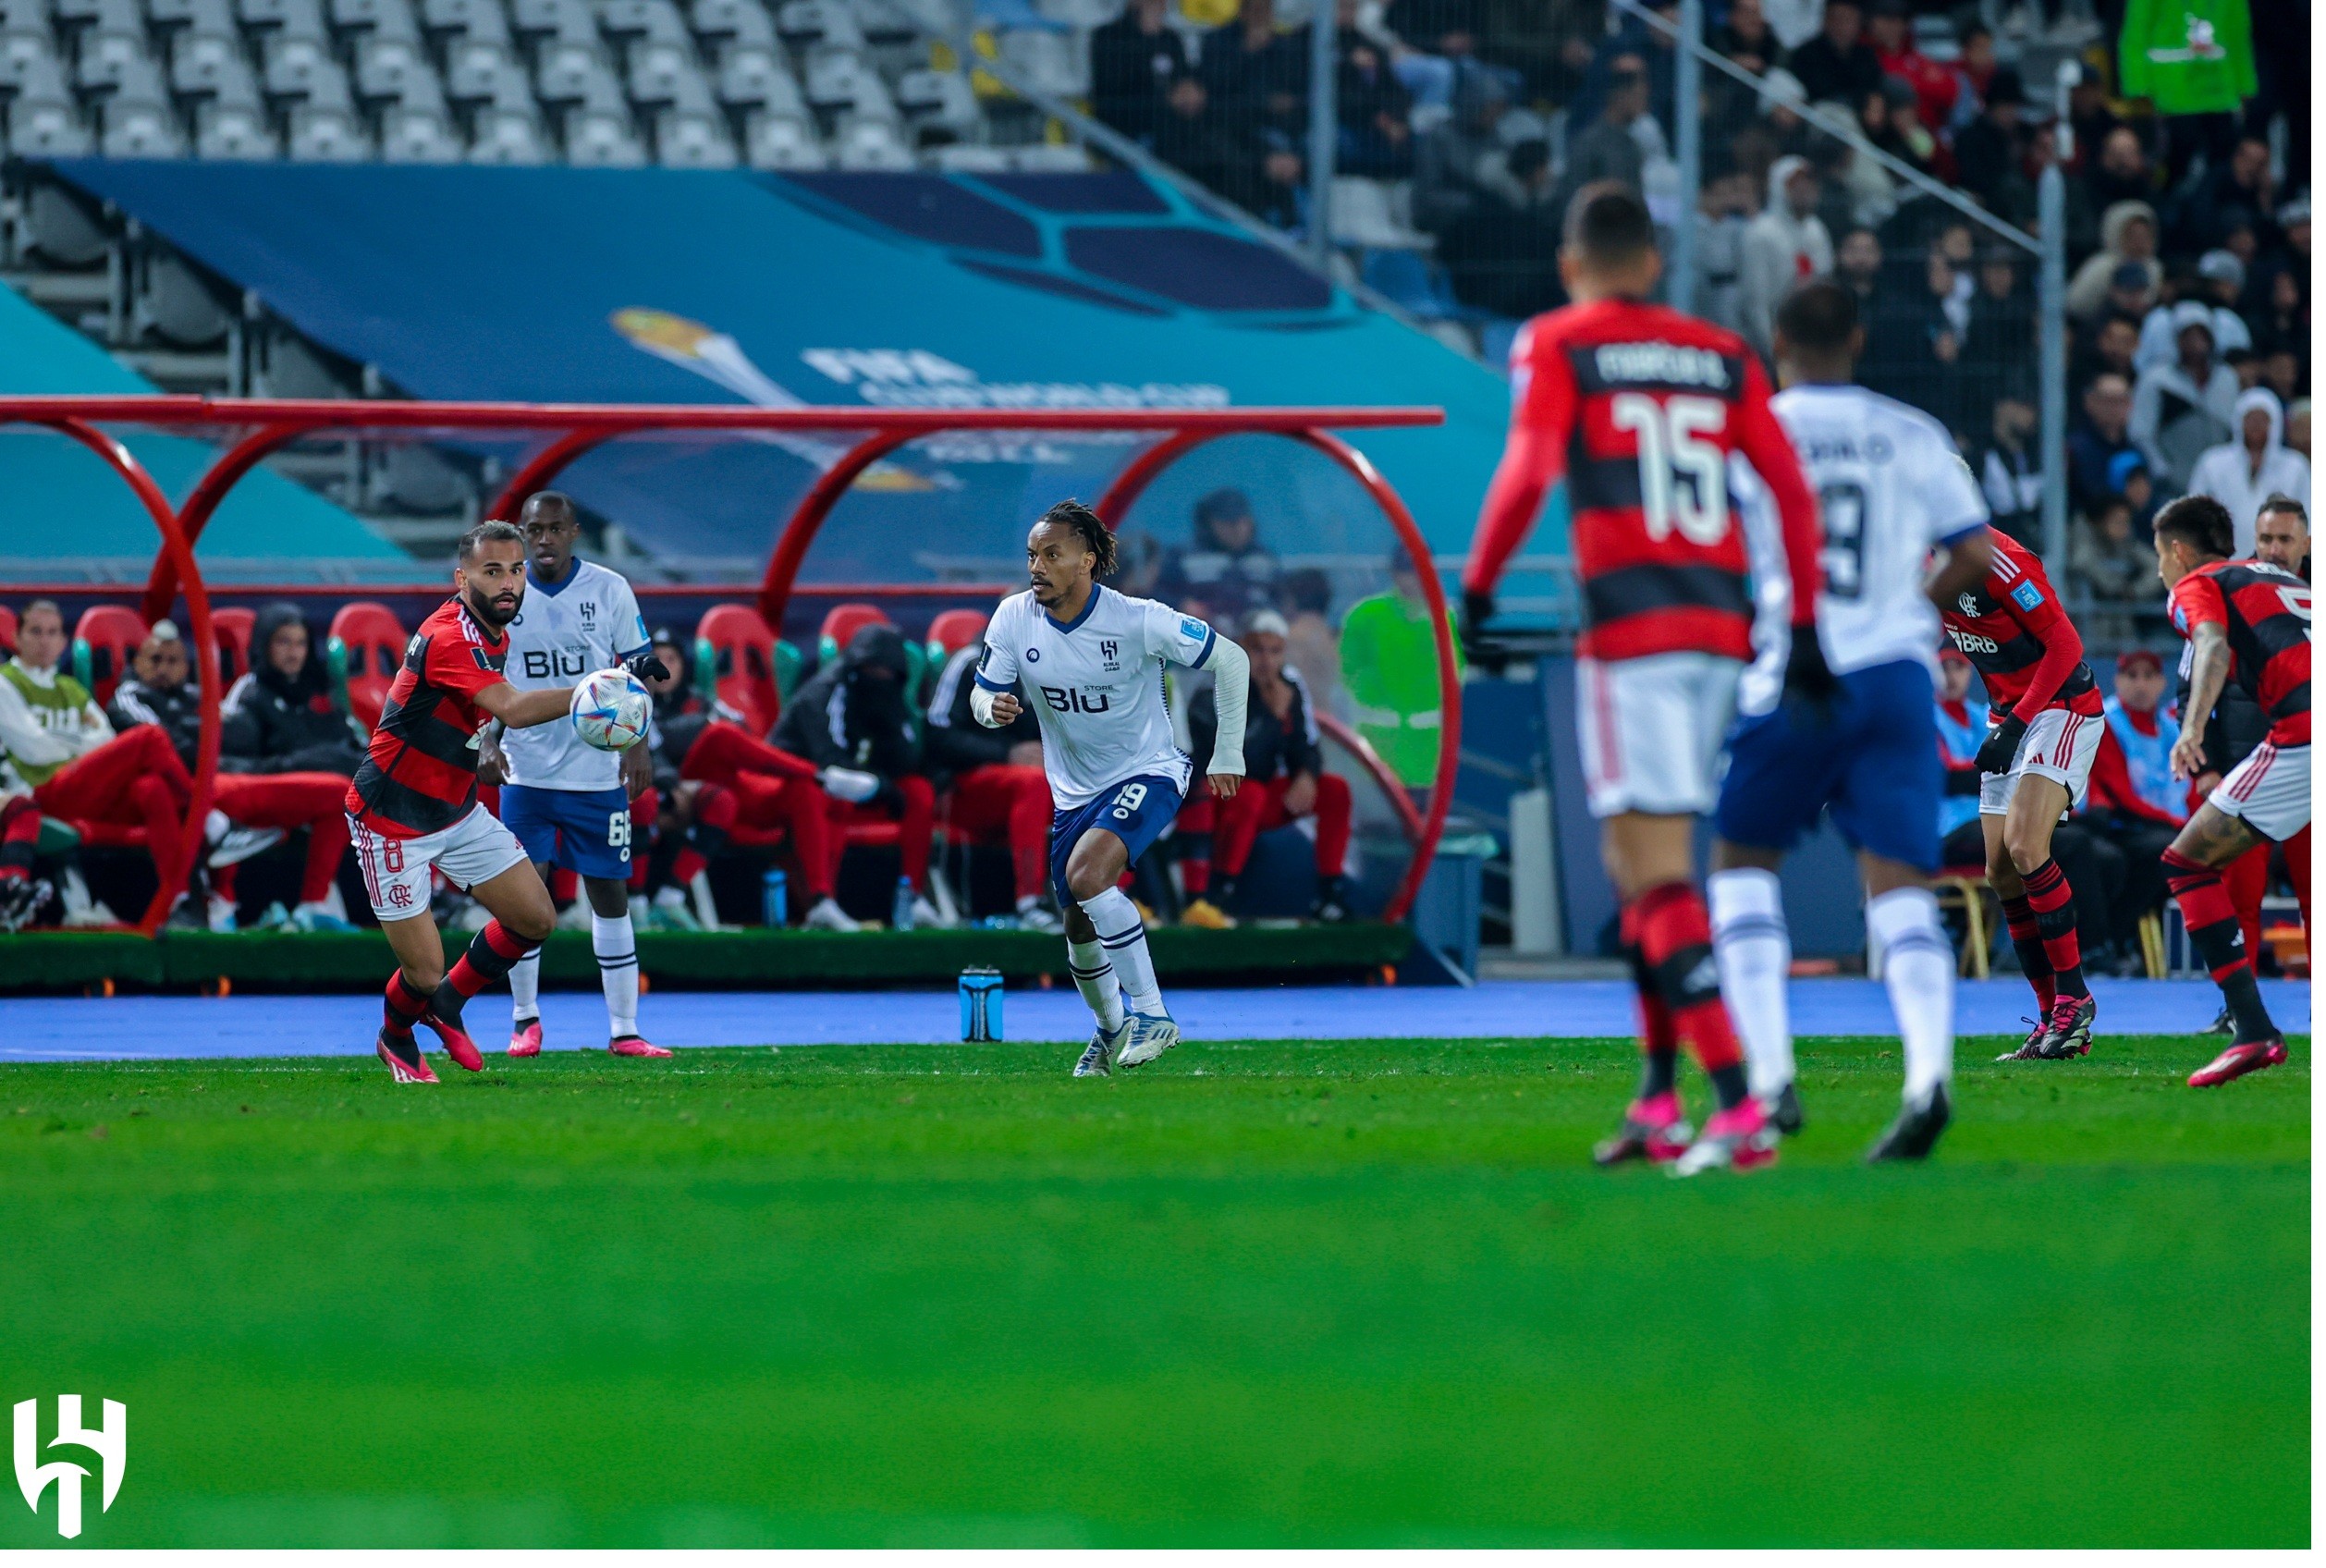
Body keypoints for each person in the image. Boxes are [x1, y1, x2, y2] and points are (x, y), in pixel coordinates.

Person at [1462, 183, 1829, 1176]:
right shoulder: (1722, 353)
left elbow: (1530, 468)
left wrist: (1480, 586)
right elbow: (1788, 491)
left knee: (1654, 871)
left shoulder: (1558, 341)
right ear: (1655, 263)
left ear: (1569, 264)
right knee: (1636, 872)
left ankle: (1737, 1105)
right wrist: (1799, 625)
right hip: (1723, 631)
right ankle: (1657, 1098)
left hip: (1632, 634)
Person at [1708, 278, 1996, 1163]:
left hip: (1796, 668)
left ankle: (1770, 1079)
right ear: (1859, 341)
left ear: (1777, 341)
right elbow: (1975, 552)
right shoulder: (1912, 431)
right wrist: (1910, 605)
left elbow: (1720, 552)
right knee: (1900, 883)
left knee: (1740, 861)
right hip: (1894, 675)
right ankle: (1928, 1079)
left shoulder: (1752, 431)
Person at [347, 521, 667, 1084]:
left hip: (455, 810)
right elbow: (514, 710)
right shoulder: (450, 635)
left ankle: (447, 1005)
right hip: (392, 818)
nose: (509, 583)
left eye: (515, 570)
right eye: (492, 571)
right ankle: (395, 1036)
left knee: (535, 918)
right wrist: (601, 687)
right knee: (422, 971)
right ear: (461, 578)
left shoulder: (495, 631)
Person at [969, 498, 1251, 1077]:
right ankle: (1109, 1028)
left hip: (1150, 770)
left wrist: (1227, 751)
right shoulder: (1013, 617)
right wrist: (988, 709)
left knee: (1088, 876)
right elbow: (981, 693)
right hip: (1073, 794)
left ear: (1087, 561)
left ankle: (1152, 1014)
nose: (1037, 567)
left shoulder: (1138, 619)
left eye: (1052, 554)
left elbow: (1231, 659)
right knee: (1078, 926)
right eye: (1032, 555)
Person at [475, 492, 668, 1060]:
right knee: (524, 899)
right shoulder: (502, 593)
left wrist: (637, 744)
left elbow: (637, 666)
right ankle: (524, 1020)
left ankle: (625, 1030)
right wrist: (487, 738)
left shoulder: (609, 588)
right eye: (535, 530)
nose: (544, 540)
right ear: (522, 534)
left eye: (555, 529)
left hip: (597, 773)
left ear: (573, 532)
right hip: (526, 773)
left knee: (610, 894)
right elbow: (480, 675)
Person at [2151, 495, 2310, 1086]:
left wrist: (2191, 730)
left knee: (2186, 863)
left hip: (2303, 732)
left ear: (2178, 551)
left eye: (2159, 557)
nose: (2159, 571)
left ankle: (2253, 1030)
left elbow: (2212, 646)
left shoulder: (2199, 584)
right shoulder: (2279, 579)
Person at [0, 598, 279, 927]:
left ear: (63, 641)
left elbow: (104, 740)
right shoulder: (6, 682)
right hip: (41, 792)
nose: (44, 641)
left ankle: (180, 903)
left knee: (151, 788)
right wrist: (80, 743)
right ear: (17, 638)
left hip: (86, 788)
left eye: (52, 632)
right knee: (148, 737)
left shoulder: (71, 689)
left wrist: (68, 744)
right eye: (35, 632)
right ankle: (214, 823)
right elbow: (34, 749)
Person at [1939, 522, 2107, 1062]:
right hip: (2007, 715)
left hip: (2061, 707)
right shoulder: (1918, 559)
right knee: (2000, 872)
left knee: (2026, 847)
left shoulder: (2001, 560)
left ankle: (2075, 998)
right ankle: (2050, 1016)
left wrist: (2015, 725)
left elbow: (2066, 644)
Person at [107, 619, 354, 933]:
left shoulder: (201, 698)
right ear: (137, 662)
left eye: (173, 660)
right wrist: (200, 741)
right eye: (155, 659)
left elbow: (237, 740)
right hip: (192, 788)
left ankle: (315, 905)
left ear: (187, 667)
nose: (164, 668)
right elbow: (161, 743)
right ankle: (220, 903)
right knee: (181, 787)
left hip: (232, 778)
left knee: (339, 791)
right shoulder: (131, 696)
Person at [1181, 610, 1352, 926]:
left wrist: (1306, 776)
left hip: (1259, 795)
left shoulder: (1288, 687)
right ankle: (1220, 893)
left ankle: (1331, 892)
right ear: (1240, 646)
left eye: (1275, 651)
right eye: (1258, 649)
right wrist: (1273, 717)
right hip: (1215, 797)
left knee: (1334, 790)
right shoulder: (1214, 685)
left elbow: (1306, 744)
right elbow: (1233, 757)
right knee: (1251, 794)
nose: (1266, 661)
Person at [774, 623, 945, 930]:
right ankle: (820, 901)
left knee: (919, 790)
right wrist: (882, 786)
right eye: (873, 669)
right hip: (798, 787)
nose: (880, 677)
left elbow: (907, 760)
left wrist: (888, 730)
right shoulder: (823, 693)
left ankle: (912, 896)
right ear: (857, 667)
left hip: (859, 786)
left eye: (887, 671)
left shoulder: (889, 694)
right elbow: (828, 761)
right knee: (823, 791)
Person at [924, 623, 1059, 932]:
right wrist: (1006, 753)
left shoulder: (1039, 668)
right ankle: (1030, 903)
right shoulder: (968, 661)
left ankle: (1105, 899)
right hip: (961, 789)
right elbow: (938, 733)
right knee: (1033, 783)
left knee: (1095, 785)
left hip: (1018, 786)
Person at [2081, 648, 2185, 968]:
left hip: (2162, 825)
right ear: (2117, 681)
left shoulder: (2172, 728)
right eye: (2132, 675)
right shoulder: (2106, 723)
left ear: (2162, 683)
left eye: (2149, 676)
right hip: (2122, 825)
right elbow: (2121, 795)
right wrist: (2181, 824)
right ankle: (2115, 937)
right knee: (2166, 850)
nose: (2141, 684)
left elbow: (2189, 789)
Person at [1340, 546, 1459, 790]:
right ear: (1394, 573)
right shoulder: (1365, 617)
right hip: (1378, 755)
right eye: (1406, 571)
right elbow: (1346, 672)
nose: (1412, 579)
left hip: (1428, 760)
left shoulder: (1444, 619)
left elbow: (1456, 674)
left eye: (1418, 571)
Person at [220, 603, 369, 777]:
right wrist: (300, 764)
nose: (293, 653)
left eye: (301, 643)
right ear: (264, 645)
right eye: (283, 642)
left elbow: (351, 741)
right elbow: (234, 765)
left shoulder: (317, 688)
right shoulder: (250, 694)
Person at [2186, 388, 2311, 557]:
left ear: (2275, 424)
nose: (2256, 424)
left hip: (2279, 559)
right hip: (2223, 558)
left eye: (2263, 419)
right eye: (2250, 418)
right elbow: (2194, 511)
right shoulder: (2212, 462)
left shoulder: (2295, 466)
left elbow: (2309, 513)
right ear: (2238, 421)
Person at [2130, 301, 2239, 488]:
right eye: (2188, 335)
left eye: (2201, 334)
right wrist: (2162, 469)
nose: (2195, 342)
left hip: (2219, 481)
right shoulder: (2157, 380)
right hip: (2174, 483)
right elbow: (2141, 432)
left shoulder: (2227, 378)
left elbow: (2233, 428)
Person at [1737, 155, 1832, 363]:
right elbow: (1755, 303)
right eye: (1796, 184)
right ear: (1778, 187)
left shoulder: (1817, 230)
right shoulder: (1761, 232)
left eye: (1810, 183)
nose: (1806, 189)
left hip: (1813, 344)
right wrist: (1774, 352)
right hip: (1774, 345)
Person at [1153, 488, 1280, 627]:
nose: (1237, 529)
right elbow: (1157, 596)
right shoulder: (1184, 558)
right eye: (1228, 523)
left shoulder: (1265, 559)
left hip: (1260, 633)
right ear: (1208, 524)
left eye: (1242, 521)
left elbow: (1283, 600)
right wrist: (1182, 605)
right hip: (1205, 633)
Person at [1090, 0, 1188, 145]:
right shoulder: (1108, 36)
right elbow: (1113, 87)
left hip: (1167, 125)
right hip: (1124, 124)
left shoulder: (1171, 38)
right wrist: (1147, 37)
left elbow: (1182, 77)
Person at [1933, 647, 1988, 869]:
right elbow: (1946, 777)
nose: (1951, 676)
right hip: (1945, 830)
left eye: (1958, 668)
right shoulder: (1926, 716)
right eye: (1944, 668)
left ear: (1970, 671)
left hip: (1985, 820)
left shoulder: (1981, 716)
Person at [1784, 0, 1880, 108]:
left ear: (1859, 23)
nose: (1840, 25)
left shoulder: (1867, 56)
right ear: (1825, 20)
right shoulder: (1805, 55)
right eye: (1835, 18)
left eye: (1847, 20)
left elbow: (1872, 92)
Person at [2253, 494, 2308, 579]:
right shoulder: (2236, 583)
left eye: (2285, 540)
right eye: (2266, 539)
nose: (2273, 552)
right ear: (2256, 542)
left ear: (2305, 546)